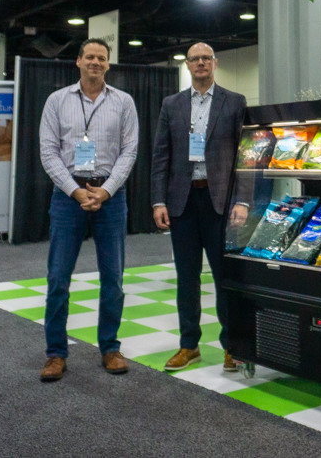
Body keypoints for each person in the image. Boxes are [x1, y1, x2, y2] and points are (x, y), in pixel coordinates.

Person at [38, 38, 139, 382]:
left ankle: (110, 348)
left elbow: (129, 151)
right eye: (90, 57)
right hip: (67, 198)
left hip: (111, 197)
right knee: (57, 278)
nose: (96, 62)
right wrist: (76, 190)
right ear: (78, 61)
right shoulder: (57, 101)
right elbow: (48, 152)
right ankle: (55, 354)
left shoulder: (123, 102)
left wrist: (106, 191)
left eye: (102, 58)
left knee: (113, 279)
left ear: (108, 64)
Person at [151, 42, 247, 372]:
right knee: (187, 278)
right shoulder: (172, 104)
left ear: (215, 63)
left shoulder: (234, 102)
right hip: (182, 202)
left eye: (206, 58)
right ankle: (189, 345)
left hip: (220, 202)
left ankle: (232, 345)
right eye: (195, 59)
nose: (201, 63)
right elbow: (160, 155)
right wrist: (159, 201)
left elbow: (245, 155)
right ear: (188, 65)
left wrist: (242, 200)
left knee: (224, 277)